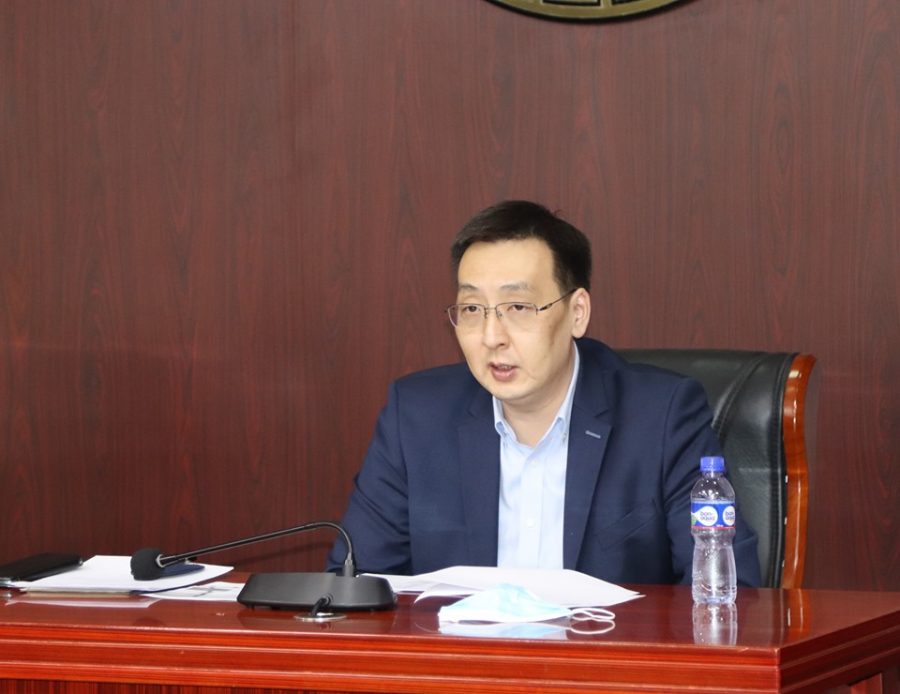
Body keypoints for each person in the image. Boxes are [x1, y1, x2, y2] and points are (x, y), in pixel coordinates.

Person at [328, 200, 761, 586]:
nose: (492, 336)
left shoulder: (661, 417)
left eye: (518, 308)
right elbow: (353, 589)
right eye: (473, 309)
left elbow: (727, 592)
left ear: (577, 313)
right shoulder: (416, 418)